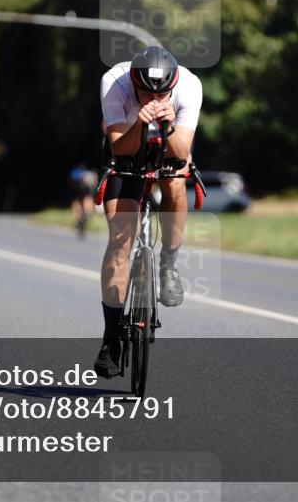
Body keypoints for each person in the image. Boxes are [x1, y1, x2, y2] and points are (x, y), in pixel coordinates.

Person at [94, 46, 202, 377]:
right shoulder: (114, 81)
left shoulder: (189, 86)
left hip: (168, 151)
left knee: (174, 185)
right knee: (120, 243)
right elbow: (118, 146)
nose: (153, 99)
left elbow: (182, 153)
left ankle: (168, 263)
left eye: (162, 93)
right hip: (126, 151)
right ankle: (112, 338)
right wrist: (137, 125)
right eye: (145, 93)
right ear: (132, 82)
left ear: (173, 85)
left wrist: (167, 128)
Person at [69, 162, 98, 237]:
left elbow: (71, 181)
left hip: (77, 187)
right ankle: (87, 213)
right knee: (87, 198)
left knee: (76, 201)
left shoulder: (75, 172)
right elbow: (94, 181)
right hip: (87, 188)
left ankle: (77, 218)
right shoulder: (90, 172)